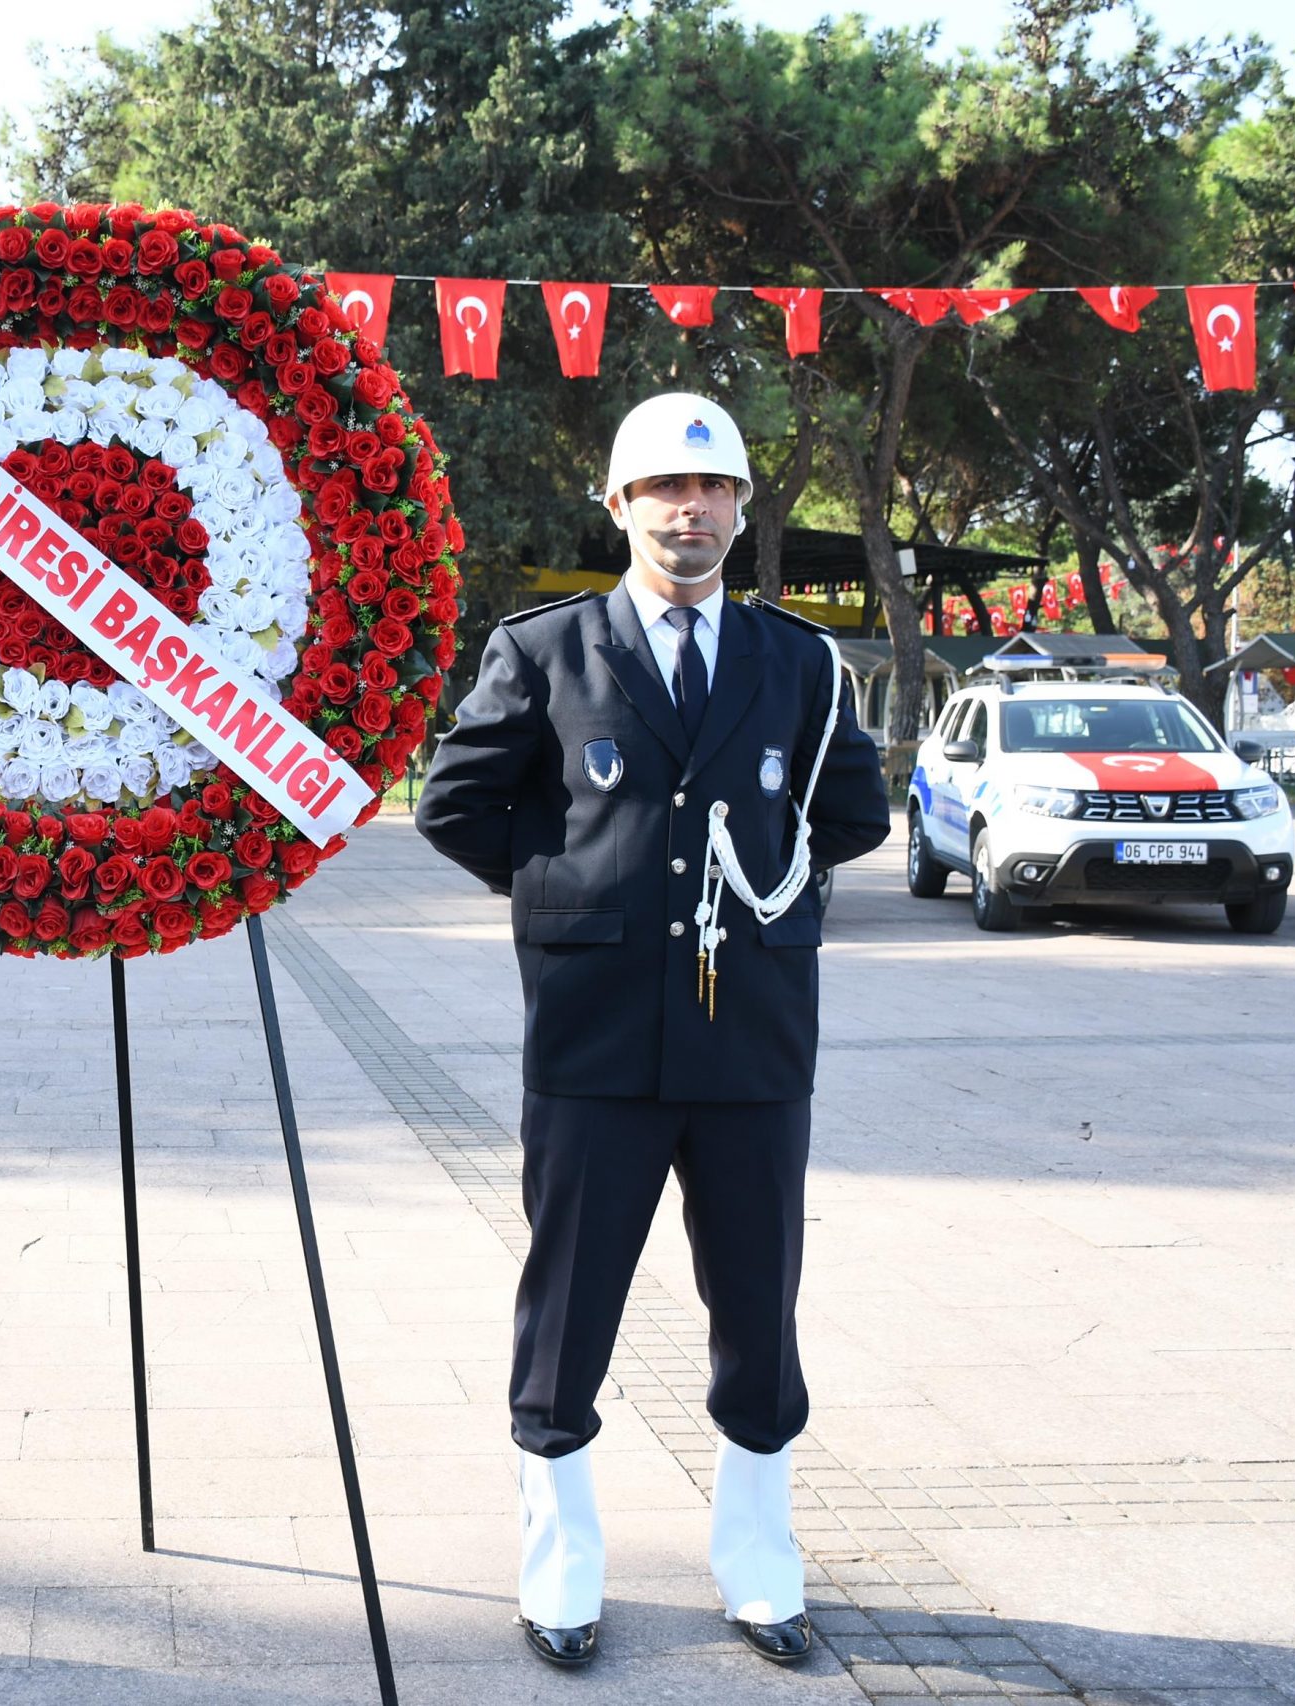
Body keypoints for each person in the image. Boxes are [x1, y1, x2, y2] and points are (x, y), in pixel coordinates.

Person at [416, 393, 891, 1670]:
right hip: (596, 1038)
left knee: (756, 1294)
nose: (691, 511)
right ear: (618, 506)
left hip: (751, 1039)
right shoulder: (546, 649)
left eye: (714, 489)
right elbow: (454, 805)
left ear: (740, 507)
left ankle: (757, 1556)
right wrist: (577, 888)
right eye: (664, 490)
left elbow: (852, 812)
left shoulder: (797, 661)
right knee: (569, 1302)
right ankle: (561, 1559)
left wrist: (752, 882)